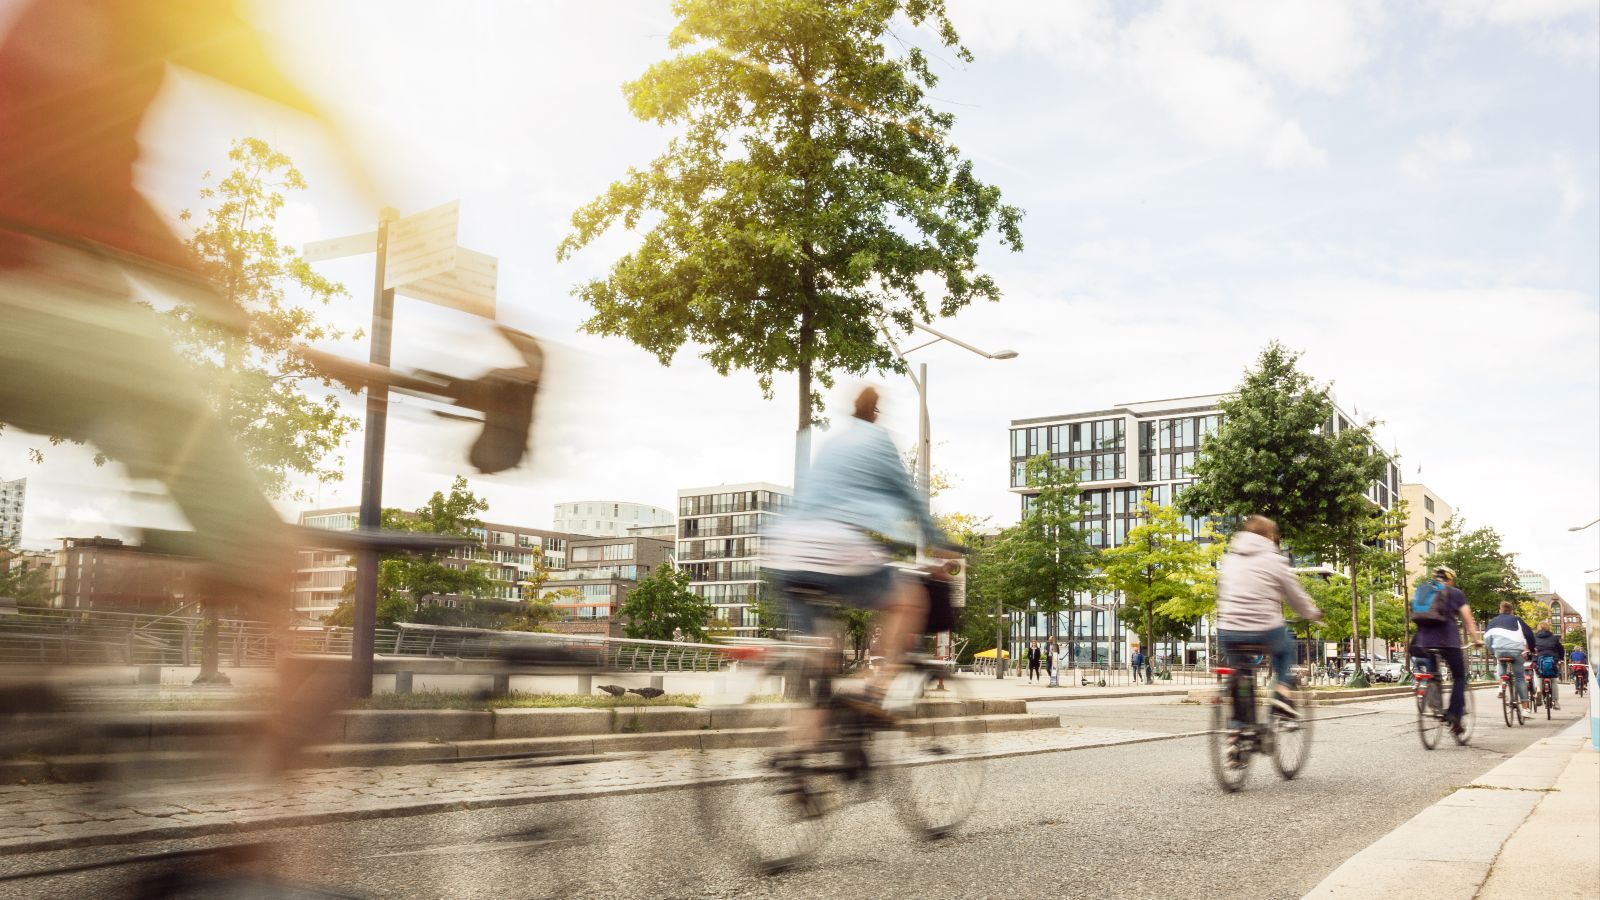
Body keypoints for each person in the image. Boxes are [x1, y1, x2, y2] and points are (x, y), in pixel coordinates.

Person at [765, 386, 948, 726]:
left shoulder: (832, 443)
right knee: (908, 601)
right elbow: (910, 497)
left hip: (786, 551)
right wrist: (937, 542)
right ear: (876, 412)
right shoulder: (878, 441)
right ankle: (874, 689)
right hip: (836, 545)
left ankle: (798, 765)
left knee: (822, 656)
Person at [1215, 515, 1324, 719]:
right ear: (1270, 536)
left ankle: (1237, 733)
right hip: (1264, 628)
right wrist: (1312, 613)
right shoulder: (1274, 559)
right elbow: (1295, 595)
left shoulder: (1230, 559)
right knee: (1287, 647)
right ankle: (1281, 697)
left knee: (1241, 674)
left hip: (1228, 629)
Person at [1411, 565, 1483, 736]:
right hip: (1448, 641)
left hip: (1425, 641)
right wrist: (1476, 639)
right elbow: (1468, 619)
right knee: (1459, 677)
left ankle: (1434, 705)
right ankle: (1454, 715)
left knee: (1433, 674)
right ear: (1450, 579)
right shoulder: (1456, 593)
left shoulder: (1423, 590)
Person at [1483, 601, 1536, 711]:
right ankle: (1525, 709)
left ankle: (1502, 684)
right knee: (1520, 678)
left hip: (1499, 651)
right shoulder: (1517, 620)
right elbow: (1529, 635)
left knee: (1500, 661)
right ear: (1512, 611)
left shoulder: (1492, 622)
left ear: (1500, 610)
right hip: (1516, 651)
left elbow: (1487, 639)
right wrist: (1531, 648)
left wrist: (1492, 651)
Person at [1531, 620, 1565, 710]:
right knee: (1553, 680)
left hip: (1539, 660)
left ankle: (1538, 690)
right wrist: (1560, 658)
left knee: (1538, 676)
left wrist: (1533, 659)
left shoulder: (1534, 638)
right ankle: (1556, 702)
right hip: (1552, 661)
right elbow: (1561, 650)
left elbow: (1532, 651)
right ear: (1548, 628)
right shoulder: (1554, 638)